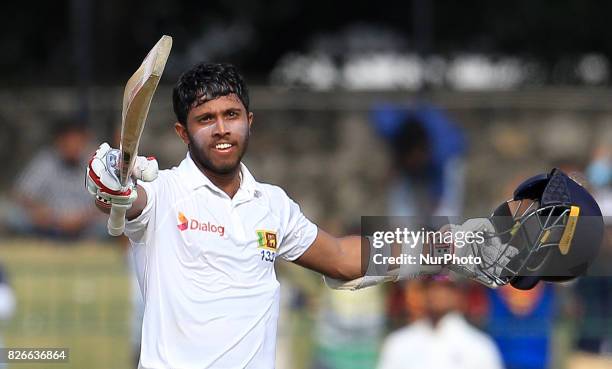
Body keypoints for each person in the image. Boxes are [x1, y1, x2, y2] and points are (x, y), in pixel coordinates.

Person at [84, 63, 598, 369]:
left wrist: (457, 246)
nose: (221, 130)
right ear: (182, 133)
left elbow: (345, 258)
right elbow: (122, 198)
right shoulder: (165, 191)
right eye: (205, 120)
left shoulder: (273, 205)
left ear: (249, 120)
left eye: (231, 115)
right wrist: (107, 179)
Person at [377, 278, 504, 369]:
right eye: (431, 286)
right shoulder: (399, 343)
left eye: (446, 287)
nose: (437, 293)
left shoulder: (479, 346)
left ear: (459, 293)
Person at [9, 120, 100, 239]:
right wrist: (41, 211)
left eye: (78, 141)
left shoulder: (96, 162)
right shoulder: (45, 161)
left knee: (117, 219)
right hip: (49, 223)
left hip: (85, 224)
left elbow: (108, 199)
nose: (74, 146)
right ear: (59, 141)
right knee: (13, 215)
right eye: (70, 141)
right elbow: (21, 193)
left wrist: (84, 217)